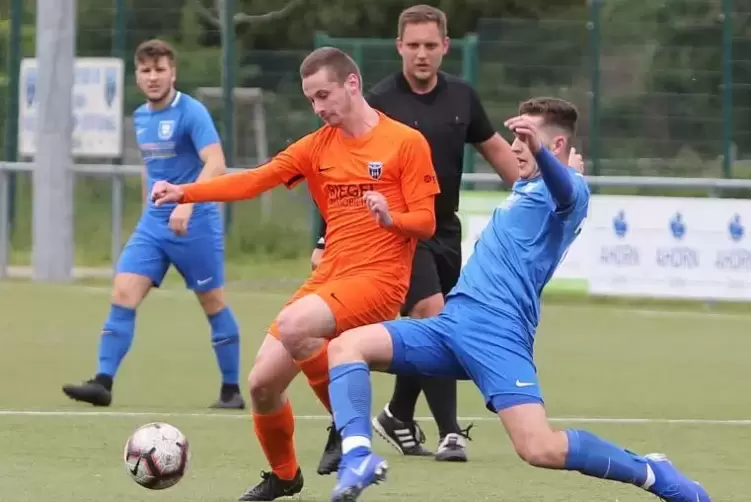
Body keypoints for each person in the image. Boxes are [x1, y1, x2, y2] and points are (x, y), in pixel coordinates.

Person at [324, 97, 712, 502]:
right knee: (346, 347)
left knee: (539, 448)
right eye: (515, 137)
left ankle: (652, 473)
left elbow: (565, 189)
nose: (513, 147)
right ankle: (358, 458)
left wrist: (545, 155)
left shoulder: (570, 189)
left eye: (524, 138)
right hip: (452, 324)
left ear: (555, 144)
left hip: (498, 334)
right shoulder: (526, 190)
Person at [150, 46, 440, 501]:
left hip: (380, 278)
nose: (319, 107)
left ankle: (350, 433)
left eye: (324, 94)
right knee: (262, 384)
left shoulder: (405, 142)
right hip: (330, 276)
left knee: (295, 325)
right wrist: (185, 191)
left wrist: (392, 219)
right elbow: (254, 179)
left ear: (352, 84)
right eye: (311, 100)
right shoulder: (316, 146)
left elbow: (426, 221)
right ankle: (285, 476)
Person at [311, 4, 519, 465]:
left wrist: (534, 193)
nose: (421, 54)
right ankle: (449, 432)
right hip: (394, 233)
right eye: (413, 45)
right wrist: (325, 237)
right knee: (431, 311)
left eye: (430, 45)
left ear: (445, 47)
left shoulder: (462, 97)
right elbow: (337, 174)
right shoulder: (380, 102)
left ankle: (399, 412)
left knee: (437, 329)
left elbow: (497, 152)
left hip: (443, 229)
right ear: (399, 47)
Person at [61, 39, 245, 410]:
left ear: (172, 72)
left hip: (195, 223)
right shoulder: (142, 117)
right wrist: (149, 209)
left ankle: (231, 391)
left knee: (213, 303)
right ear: (137, 76)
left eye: (160, 69)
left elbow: (216, 163)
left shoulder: (190, 112)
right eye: (146, 70)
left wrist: (188, 202)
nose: (153, 77)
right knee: (123, 292)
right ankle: (103, 382)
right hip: (155, 225)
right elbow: (153, 170)